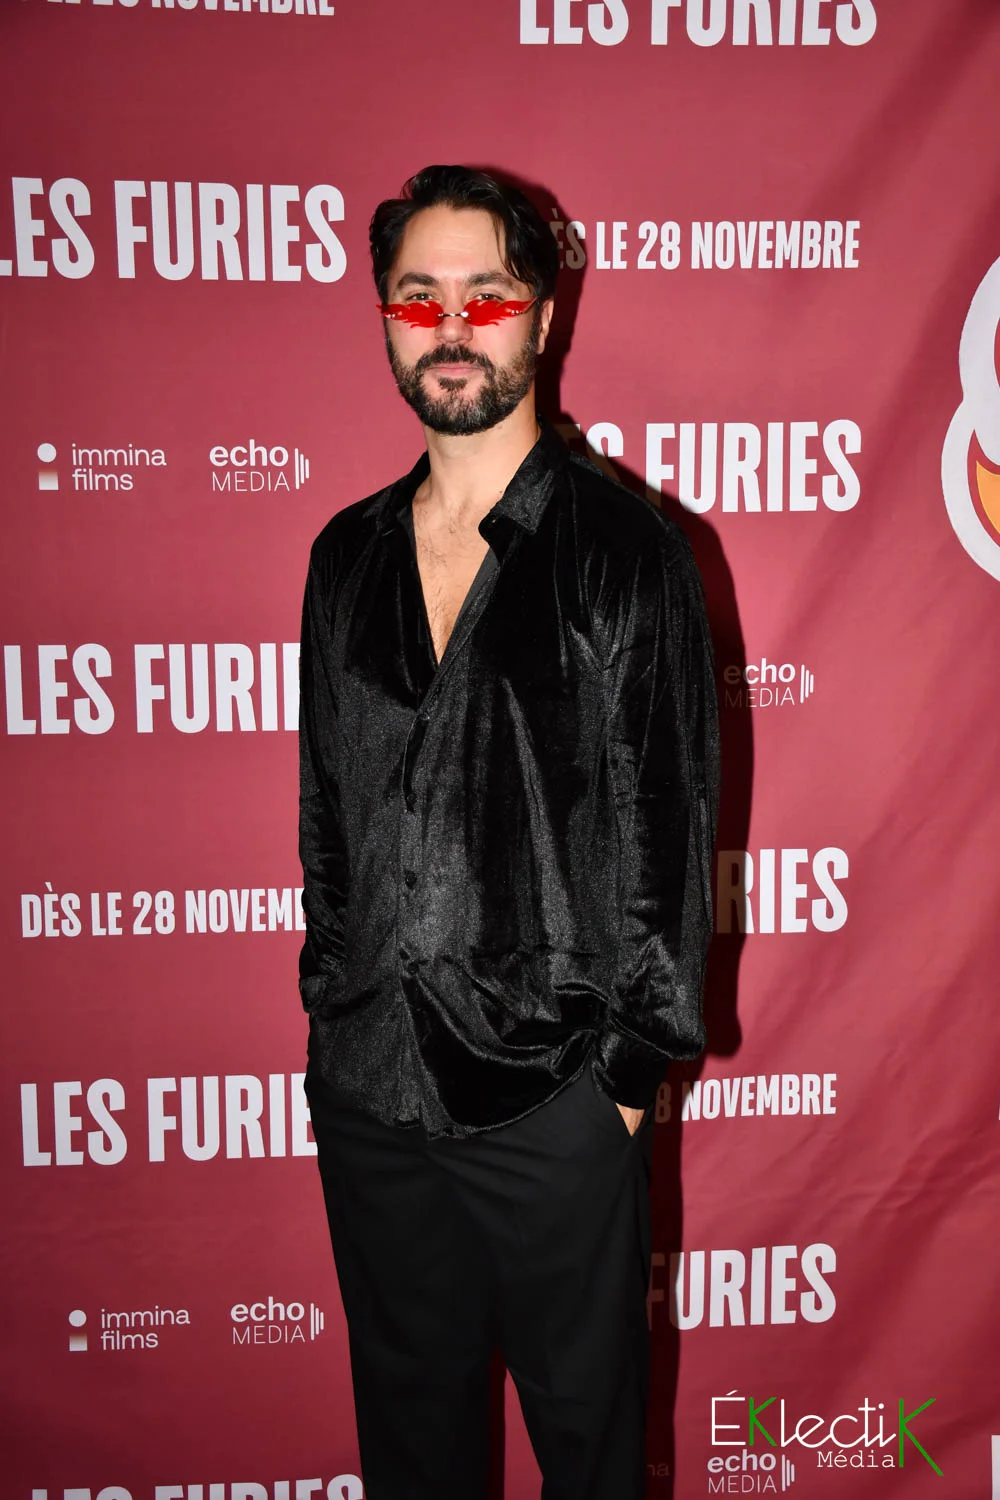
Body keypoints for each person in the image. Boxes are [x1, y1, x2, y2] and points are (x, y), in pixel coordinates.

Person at [298, 164, 719, 1500]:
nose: (451, 326)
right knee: (412, 1459)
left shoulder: (626, 551)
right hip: (371, 1092)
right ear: (383, 317)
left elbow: (666, 837)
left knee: (591, 1464)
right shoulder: (344, 556)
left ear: (542, 314)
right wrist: (335, 1003)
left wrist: (623, 1089)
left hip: (552, 1099)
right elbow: (326, 819)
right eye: (418, 297)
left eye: (485, 295)